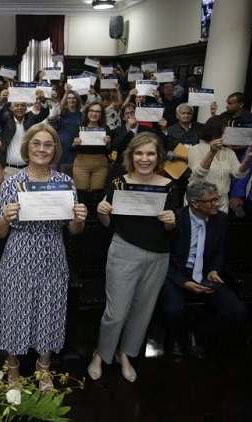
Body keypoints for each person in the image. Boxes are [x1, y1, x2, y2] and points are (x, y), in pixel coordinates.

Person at [0, 123, 87, 391]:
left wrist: (79, 219)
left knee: (50, 310)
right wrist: (5, 219)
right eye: (36, 143)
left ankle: (43, 368)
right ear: (27, 147)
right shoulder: (11, 182)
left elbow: (73, 230)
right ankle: (13, 369)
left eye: (48, 144)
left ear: (55, 149)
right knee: (14, 312)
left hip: (53, 255)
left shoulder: (65, 182)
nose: (42, 149)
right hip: (18, 254)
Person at [89, 132, 180, 383]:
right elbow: (107, 224)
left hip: (158, 256)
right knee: (116, 313)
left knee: (142, 311)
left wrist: (173, 221)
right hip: (124, 251)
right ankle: (101, 353)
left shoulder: (170, 185)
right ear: (131, 155)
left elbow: (172, 229)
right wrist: (102, 212)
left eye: (150, 153)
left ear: (158, 156)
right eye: (139, 153)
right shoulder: (118, 183)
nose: (144, 158)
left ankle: (125, 353)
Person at [161, 181, 247, 363]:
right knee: (173, 309)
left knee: (237, 311)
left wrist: (214, 270)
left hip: (205, 275)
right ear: (194, 203)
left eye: (217, 199)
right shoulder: (175, 220)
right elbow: (162, 258)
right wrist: (183, 282)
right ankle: (174, 341)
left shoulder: (221, 220)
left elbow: (218, 252)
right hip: (176, 276)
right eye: (212, 201)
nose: (217, 203)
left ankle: (197, 332)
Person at [187, 116, 252, 213]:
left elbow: (238, 173)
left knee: (218, 227)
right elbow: (199, 172)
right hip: (200, 202)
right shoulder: (196, 149)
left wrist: (248, 158)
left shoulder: (228, 152)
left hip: (221, 202)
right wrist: (212, 152)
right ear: (216, 132)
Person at [0, 88, 49, 177]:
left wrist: (43, 100)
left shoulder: (31, 118)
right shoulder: (6, 119)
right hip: (8, 169)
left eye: (22, 105)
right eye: (16, 105)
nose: (19, 108)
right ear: (11, 108)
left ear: (26, 108)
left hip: (28, 168)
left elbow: (44, 114)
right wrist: (1, 102)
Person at [71, 101, 112, 191]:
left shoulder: (105, 128)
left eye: (98, 112)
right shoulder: (79, 128)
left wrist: (108, 143)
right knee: (81, 193)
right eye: (91, 111)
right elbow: (71, 149)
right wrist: (74, 143)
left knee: (96, 194)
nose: (94, 114)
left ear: (101, 114)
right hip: (81, 163)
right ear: (87, 112)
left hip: (100, 164)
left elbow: (109, 151)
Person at [56, 90, 83, 165]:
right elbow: (61, 105)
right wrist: (66, 92)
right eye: (69, 98)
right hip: (59, 146)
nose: (71, 100)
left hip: (73, 147)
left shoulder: (81, 115)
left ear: (77, 100)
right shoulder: (61, 112)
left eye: (74, 98)